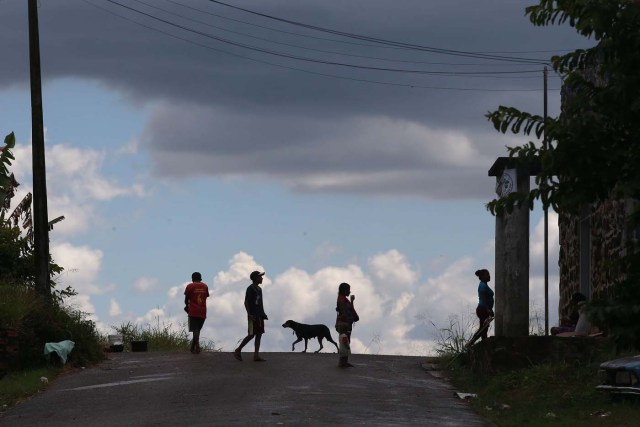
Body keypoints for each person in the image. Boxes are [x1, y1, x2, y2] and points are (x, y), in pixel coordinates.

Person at [233, 271, 268, 362]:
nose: (262, 278)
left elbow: (260, 303)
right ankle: (238, 350)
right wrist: (249, 314)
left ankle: (256, 355)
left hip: (259, 315)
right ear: (255, 278)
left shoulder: (259, 289)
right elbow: (246, 302)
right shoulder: (250, 288)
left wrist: (263, 314)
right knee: (251, 334)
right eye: (260, 277)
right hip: (253, 315)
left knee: (259, 334)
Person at [184, 272, 210, 354]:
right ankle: (192, 348)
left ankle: (197, 347)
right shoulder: (205, 286)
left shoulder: (190, 286)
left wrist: (186, 306)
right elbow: (205, 297)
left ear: (192, 278)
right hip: (203, 311)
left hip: (193, 311)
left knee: (195, 330)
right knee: (197, 330)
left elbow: (186, 300)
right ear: (200, 278)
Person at [335, 282, 359, 368]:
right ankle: (342, 362)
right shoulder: (341, 299)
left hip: (345, 323)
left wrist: (352, 301)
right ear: (344, 290)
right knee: (344, 342)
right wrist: (348, 323)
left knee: (346, 342)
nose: (349, 291)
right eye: (348, 290)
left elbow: (349, 309)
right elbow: (344, 312)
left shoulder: (344, 299)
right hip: (344, 323)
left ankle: (344, 361)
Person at [475, 269, 494, 341]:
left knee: (484, 328)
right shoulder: (482, 285)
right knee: (483, 328)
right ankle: (473, 343)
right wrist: (488, 309)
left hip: (484, 309)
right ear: (482, 276)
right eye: (487, 274)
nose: (489, 276)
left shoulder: (484, 285)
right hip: (483, 309)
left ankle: (483, 341)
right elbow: (483, 298)